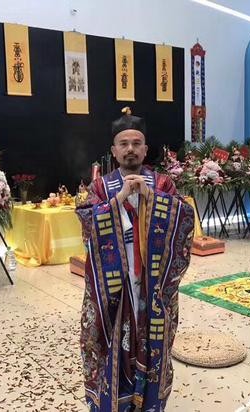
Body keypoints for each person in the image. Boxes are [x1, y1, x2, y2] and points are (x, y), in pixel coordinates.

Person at [76, 107, 195, 411]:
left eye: (136, 143)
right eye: (124, 144)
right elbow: (87, 223)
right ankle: (113, 398)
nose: (130, 149)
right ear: (114, 151)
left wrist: (151, 198)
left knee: (153, 339)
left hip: (152, 282)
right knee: (108, 340)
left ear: (145, 149)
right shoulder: (101, 187)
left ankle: (149, 400)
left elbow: (184, 218)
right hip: (115, 283)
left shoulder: (162, 184)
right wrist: (118, 200)